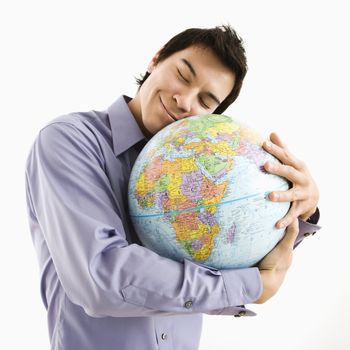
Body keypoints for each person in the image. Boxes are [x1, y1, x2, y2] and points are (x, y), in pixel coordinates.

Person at [25, 25, 321, 350]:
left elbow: (234, 251)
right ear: (155, 60)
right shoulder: (70, 140)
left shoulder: (201, 174)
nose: (184, 101)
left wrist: (299, 206)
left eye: (206, 101)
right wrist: (251, 286)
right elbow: (101, 279)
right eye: (182, 74)